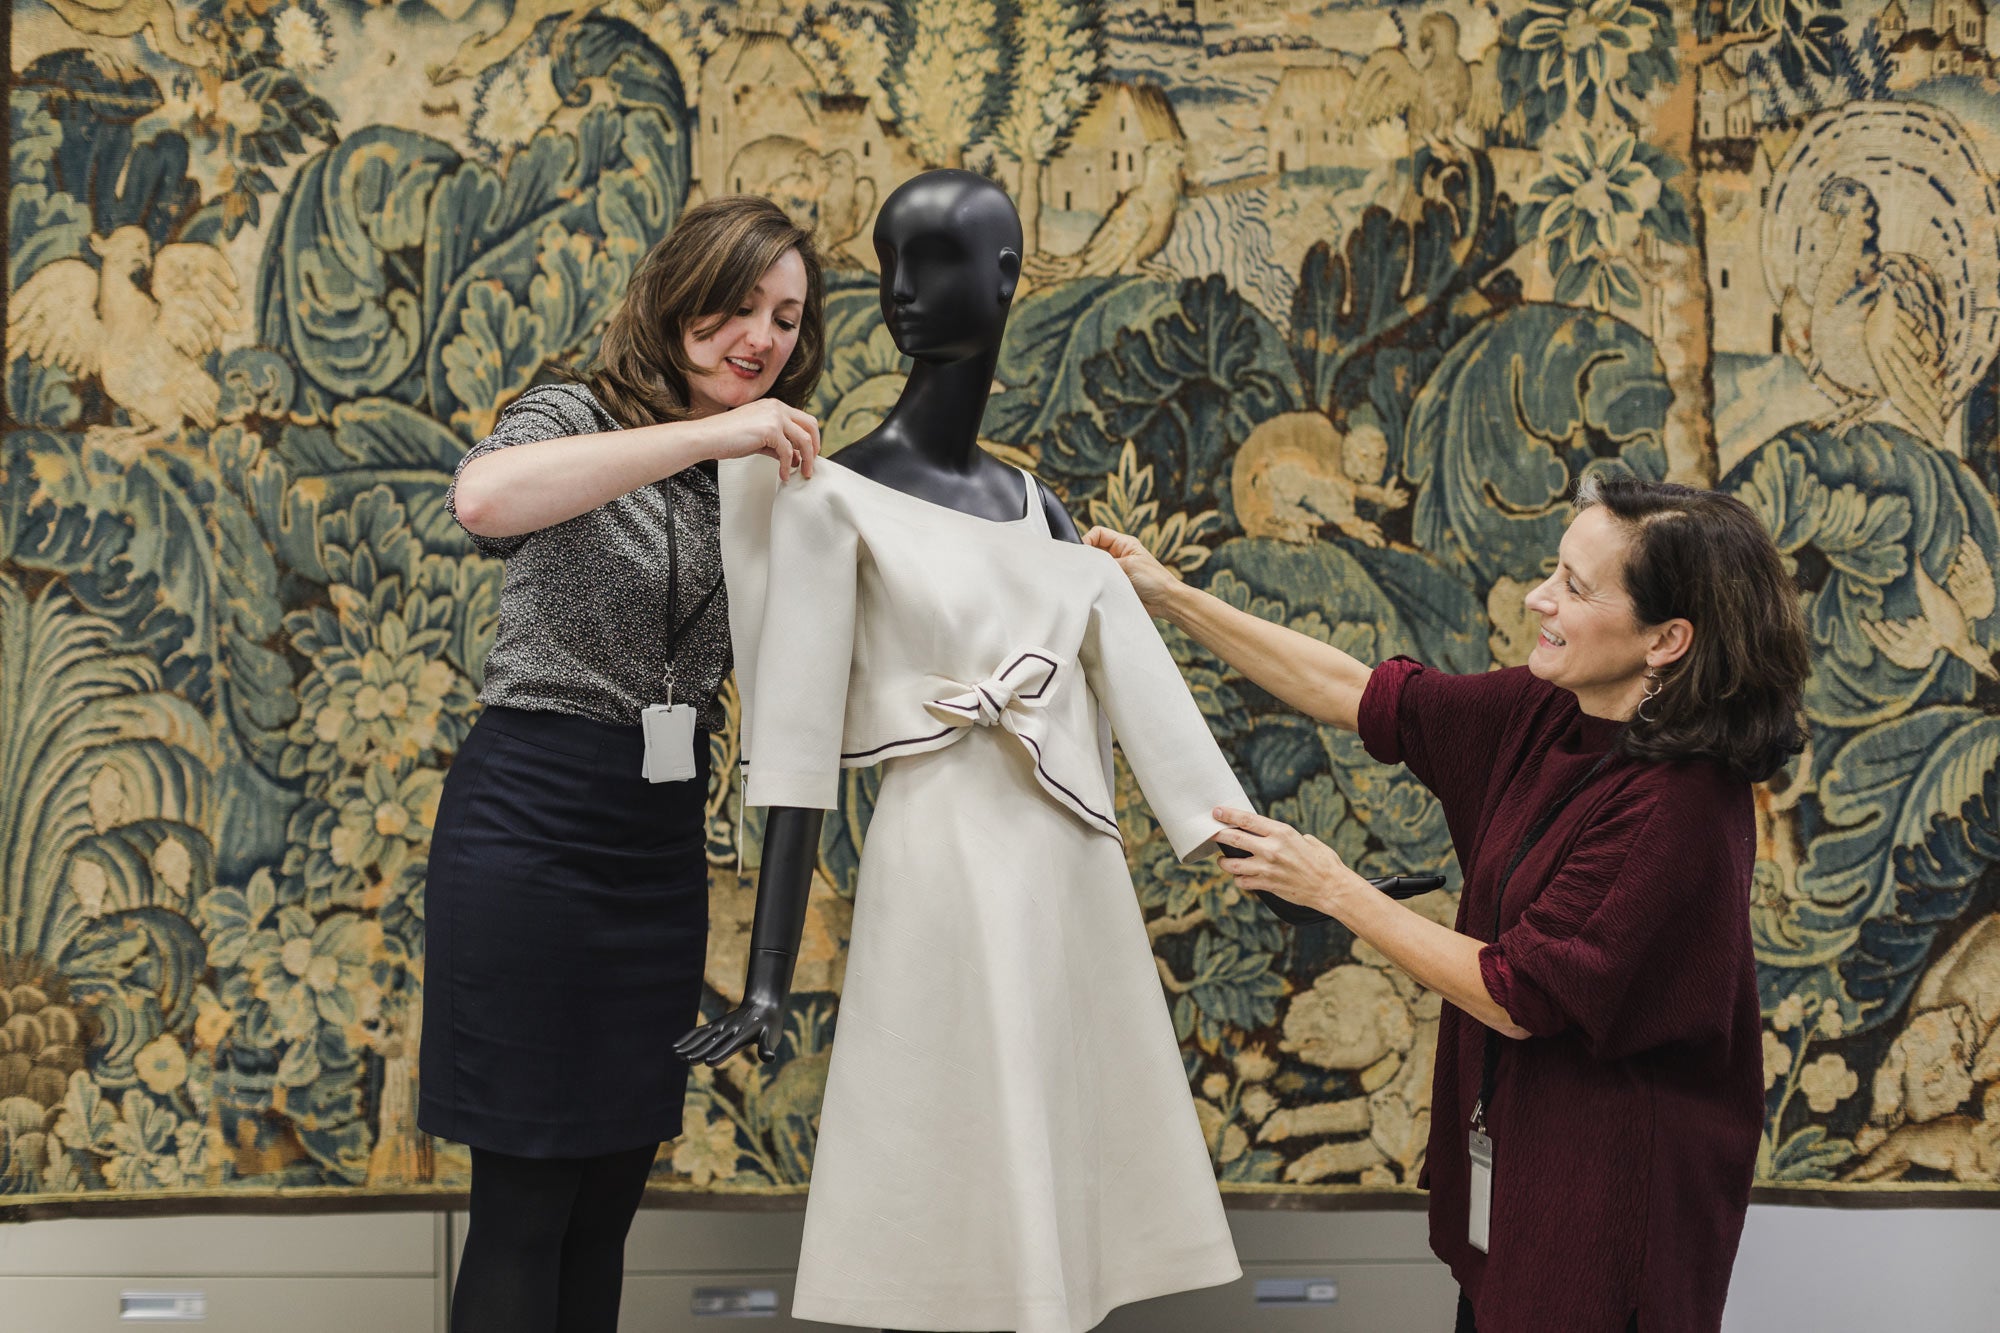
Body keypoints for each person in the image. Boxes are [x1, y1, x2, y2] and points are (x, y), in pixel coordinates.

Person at [1088, 474, 1811, 1333]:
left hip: (1606, 1209)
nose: (1540, 597)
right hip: (1522, 1173)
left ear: (1666, 639)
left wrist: (1333, 888)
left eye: (1576, 587)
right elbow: (1362, 694)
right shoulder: (1555, 708)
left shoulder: (1677, 806)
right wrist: (1169, 596)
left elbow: (1519, 993)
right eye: (1556, 569)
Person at [419, 195, 825, 1333]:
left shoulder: (767, 474)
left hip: (655, 842)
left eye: (787, 318)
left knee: (605, 1203)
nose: (761, 337)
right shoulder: (576, 414)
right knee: (526, 1201)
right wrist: (707, 435)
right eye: (741, 304)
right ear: (680, 294)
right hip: (531, 823)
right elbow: (482, 500)